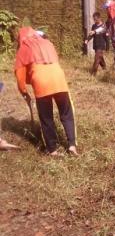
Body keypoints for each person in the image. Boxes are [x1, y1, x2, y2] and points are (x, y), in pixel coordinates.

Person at [14, 27, 78, 156]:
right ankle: (72, 145)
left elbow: (20, 78)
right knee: (67, 114)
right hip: (59, 81)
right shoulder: (48, 43)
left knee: (46, 118)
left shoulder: (23, 49)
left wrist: (25, 93)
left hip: (41, 85)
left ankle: (52, 149)